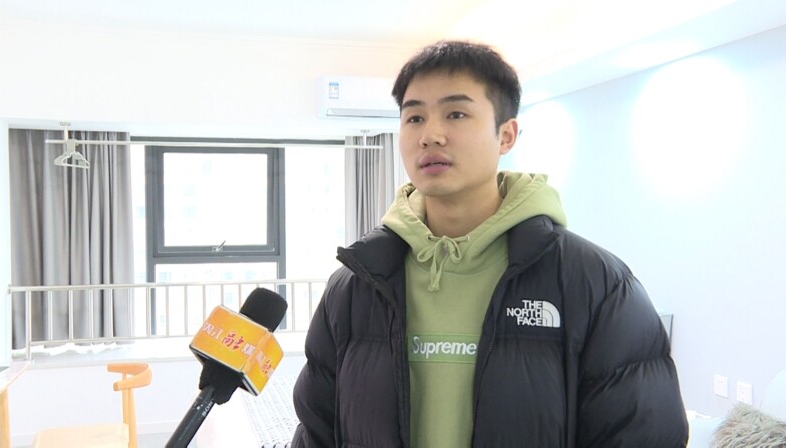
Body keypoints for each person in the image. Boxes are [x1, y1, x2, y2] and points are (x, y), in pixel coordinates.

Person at [291, 40, 688, 447]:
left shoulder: (596, 284)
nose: (430, 135)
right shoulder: (355, 286)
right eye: (414, 118)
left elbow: (643, 435)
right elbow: (317, 430)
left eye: (456, 114)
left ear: (506, 135)